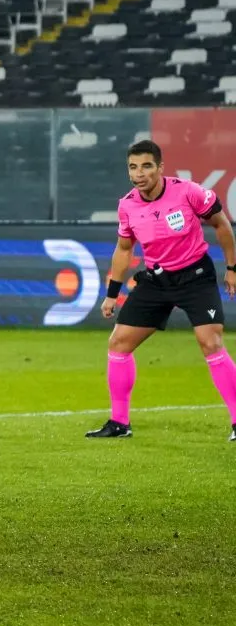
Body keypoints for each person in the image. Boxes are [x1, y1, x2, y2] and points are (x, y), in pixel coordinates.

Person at [87, 139, 236, 440]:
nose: (139, 173)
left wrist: (232, 269)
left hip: (195, 277)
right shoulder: (127, 204)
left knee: (211, 343)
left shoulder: (189, 191)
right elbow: (124, 249)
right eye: (133, 167)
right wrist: (112, 294)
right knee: (118, 344)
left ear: (160, 168)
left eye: (146, 166)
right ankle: (119, 423)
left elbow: (221, 225)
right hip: (156, 281)